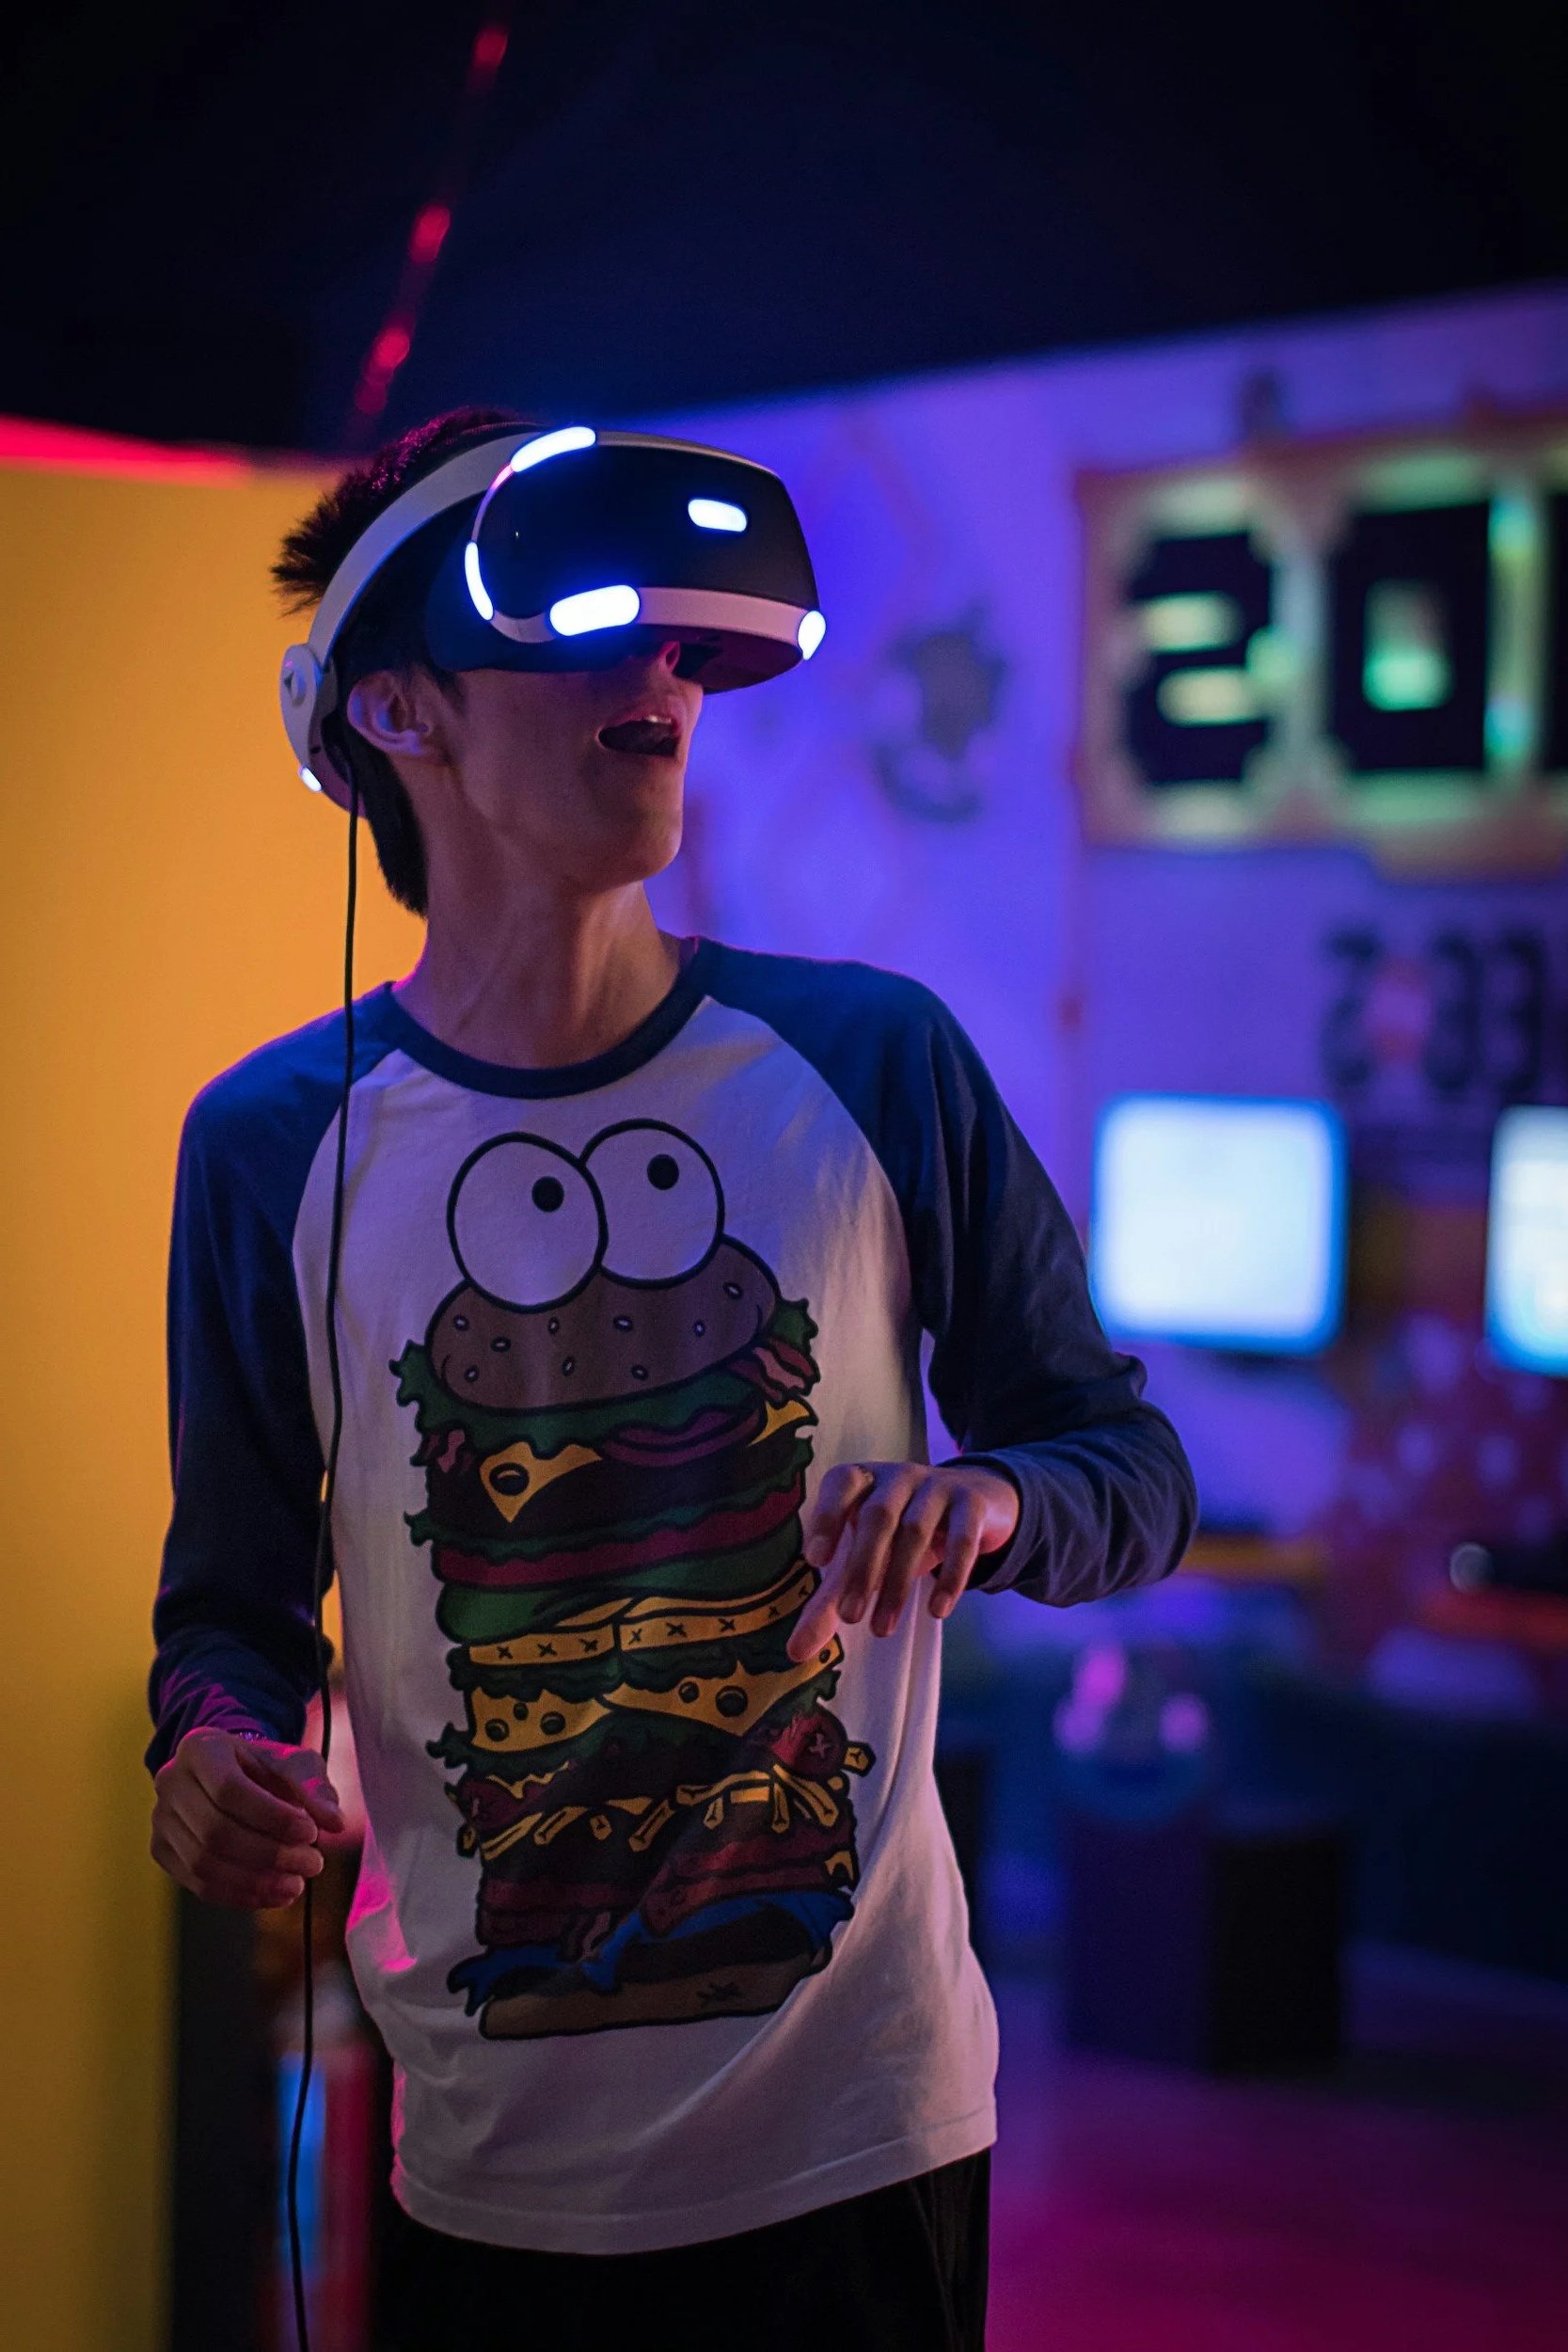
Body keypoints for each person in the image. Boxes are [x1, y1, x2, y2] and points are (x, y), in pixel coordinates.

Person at [146, 405, 1196, 2352]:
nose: (666, 678)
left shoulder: (878, 1064)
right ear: (402, 713)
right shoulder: (274, 1143)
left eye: (686, 644)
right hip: (485, 2159)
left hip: (860, 2136)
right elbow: (225, 1601)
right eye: (586, 629)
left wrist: (993, 1496)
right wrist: (205, 1744)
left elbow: (1125, 1461)